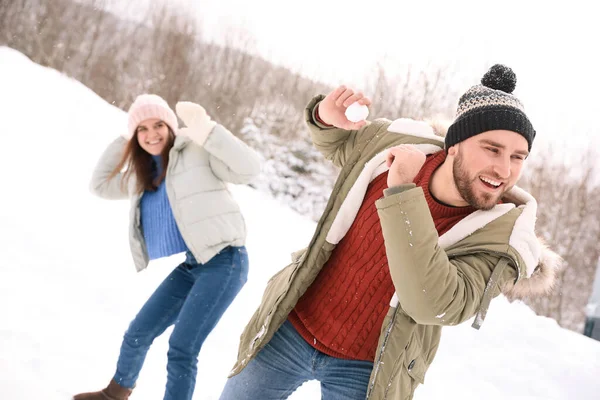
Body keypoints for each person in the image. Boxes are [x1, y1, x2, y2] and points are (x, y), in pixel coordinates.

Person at [219, 65, 562, 400]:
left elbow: (435, 304)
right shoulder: (395, 145)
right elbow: (339, 145)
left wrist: (402, 194)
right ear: (454, 144)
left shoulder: (501, 238)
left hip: (369, 371)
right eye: (492, 149)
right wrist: (325, 116)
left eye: (518, 157)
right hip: (290, 328)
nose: (504, 169)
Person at [73, 94, 261, 400]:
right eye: (142, 129)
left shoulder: (196, 151)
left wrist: (208, 130)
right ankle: (115, 394)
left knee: (182, 348)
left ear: (170, 126)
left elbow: (250, 169)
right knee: (138, 333)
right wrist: (124, 138)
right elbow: (100, 185)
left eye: (158, 124)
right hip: (193, 263)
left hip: (226, 261)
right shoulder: (142, 174)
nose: (151, 134)